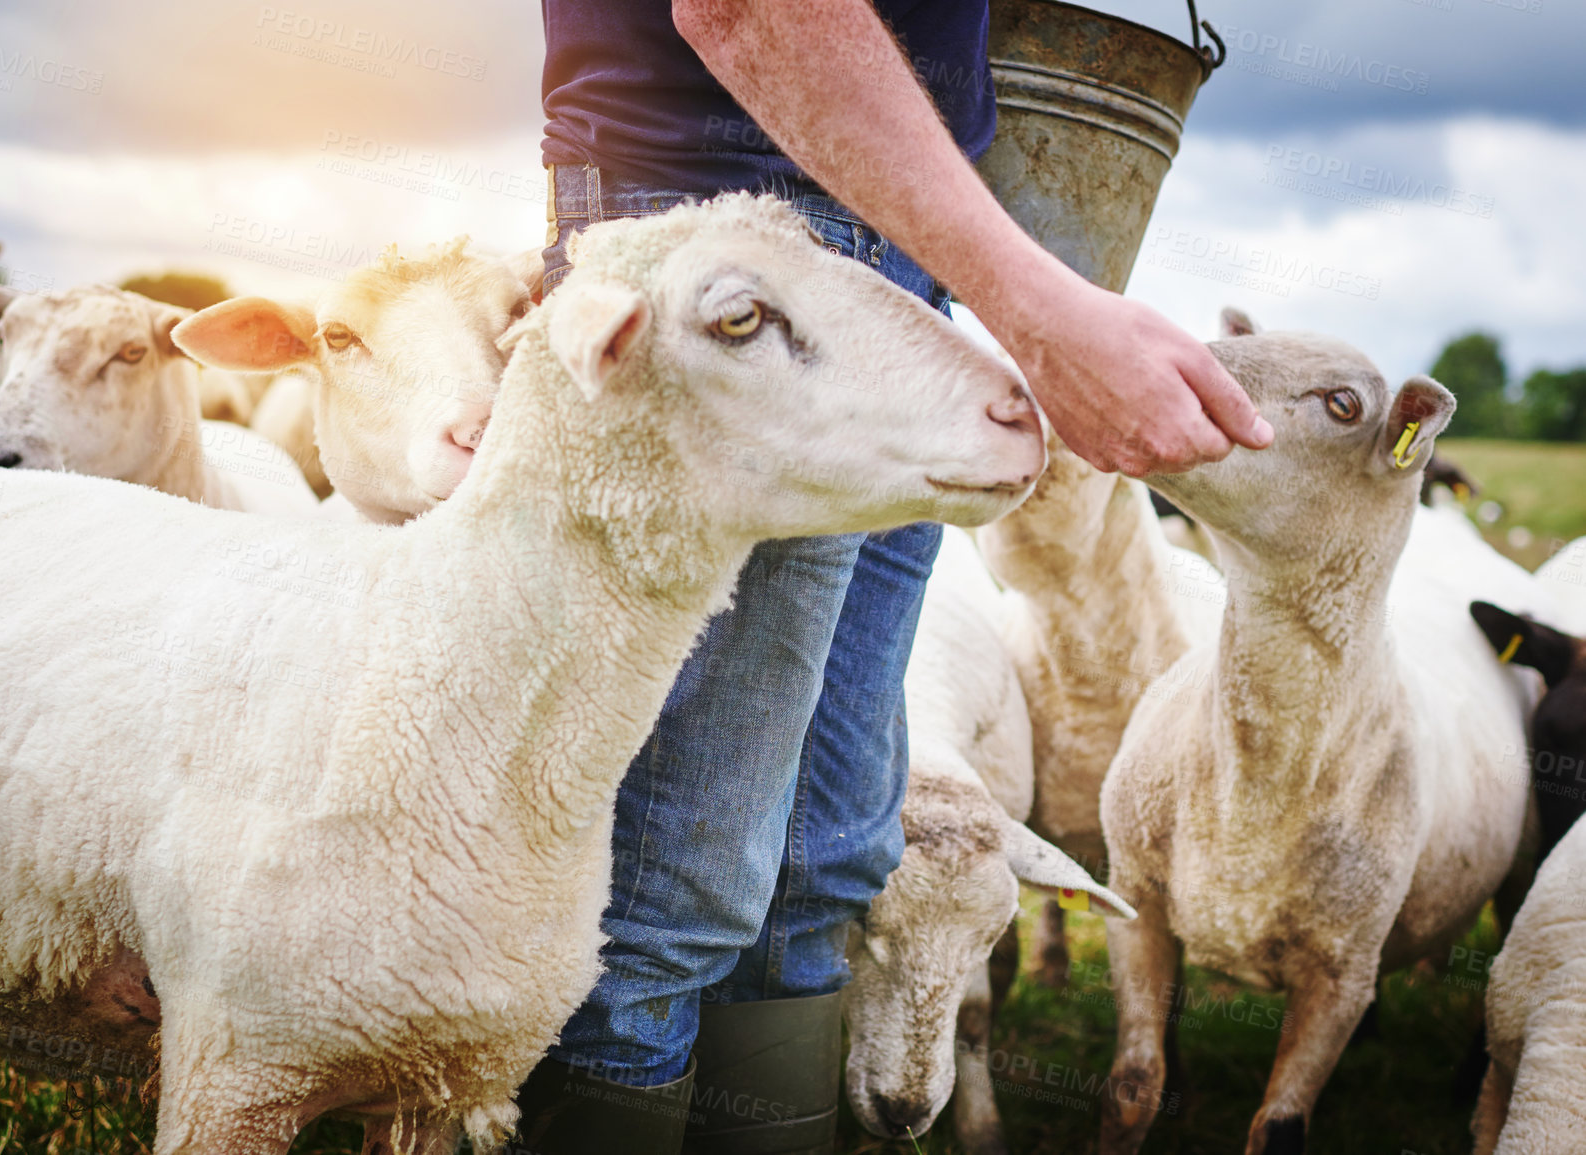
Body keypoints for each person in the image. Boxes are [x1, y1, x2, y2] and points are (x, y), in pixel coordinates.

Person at [514, 4, 1272, 1152]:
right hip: (727, 254)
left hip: (894, 259)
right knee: (678, 883)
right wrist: (1039, 307)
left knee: (824, 864)